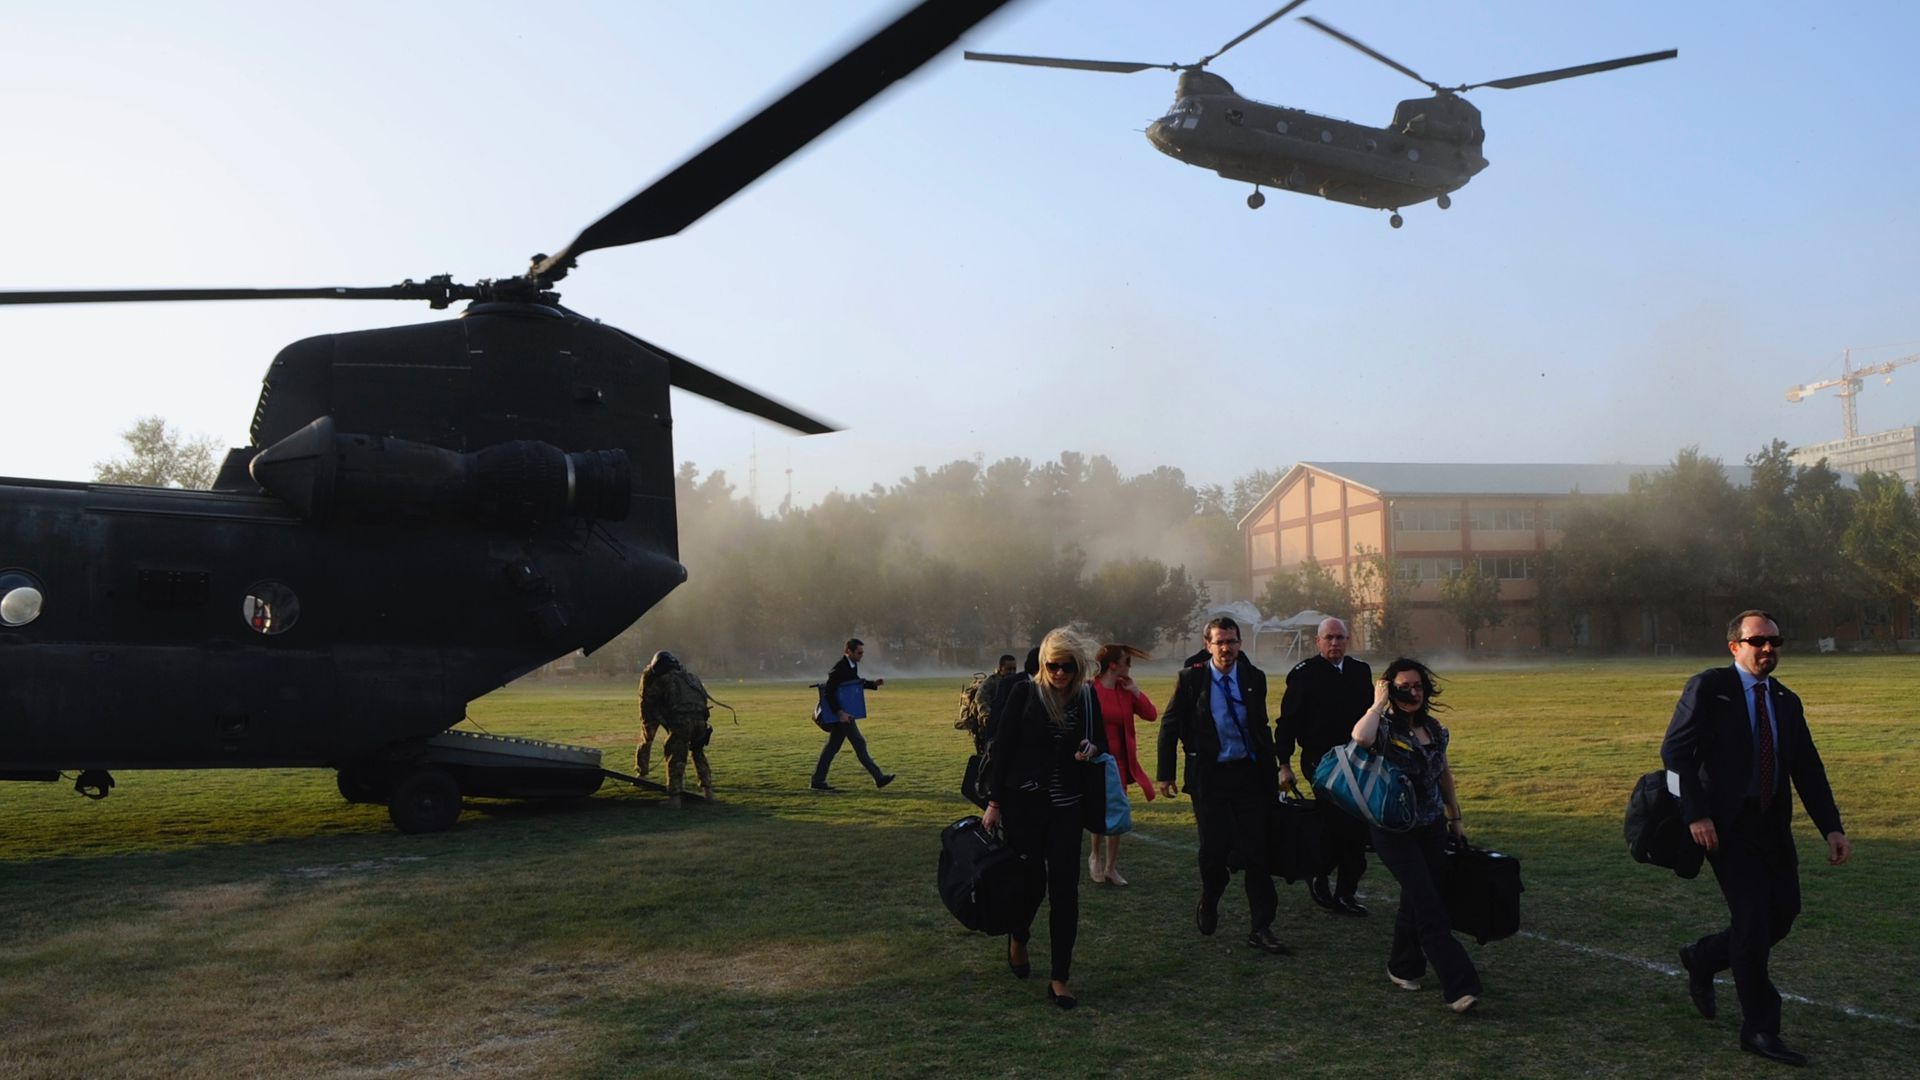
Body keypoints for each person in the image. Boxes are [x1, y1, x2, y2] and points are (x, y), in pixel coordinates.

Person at [1662, 610, 1850, 1067]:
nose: (1769, 649)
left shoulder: (1786, 700)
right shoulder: (1710, 688)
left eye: (1775, 641)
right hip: (1725, 828)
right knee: (1751, 922)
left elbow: (1807, 767)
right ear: (1735, 646)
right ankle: (1760, 1028)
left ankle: (1704, 957)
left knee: (1783, 914)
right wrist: (1697, 814)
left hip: (1771, 824)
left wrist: (1832, 826)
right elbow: (1675, 752)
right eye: (1758, 641)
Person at [981, 626, 1106, 1009]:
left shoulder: (1086, 698)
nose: (1061, 674)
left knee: (1065, 893)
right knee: (1031, 885)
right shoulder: (1024, 693)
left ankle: (1059, 978)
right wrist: (995, 802)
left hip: (1067, 808)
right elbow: (1002, 749)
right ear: (1042, 663)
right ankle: (1019, 936)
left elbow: (1099, 739)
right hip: (1026, 807)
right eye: (1054, 666)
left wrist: (1090, 746)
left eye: (1069, 666)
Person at [1351, 657, 1480, 1013]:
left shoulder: (1435, 729)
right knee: (1429, 907)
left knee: (1419, 895)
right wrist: (1377, 704)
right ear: (1390, 689)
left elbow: (1444, 774)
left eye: (1417, 685)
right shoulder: (1384, 729)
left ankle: (1402, 965)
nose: (1412, 692)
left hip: (1432, 827)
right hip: (1393, 830)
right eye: (1403, 687)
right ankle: (1460, 986)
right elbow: (1360, 737)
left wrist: (1456, 818)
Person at [1156, 616, 1289, 955]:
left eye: (1232, 641)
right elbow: (1169, 726)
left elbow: (1260, 727)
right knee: (1213, 852)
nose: (1227, 648)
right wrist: (1165, 773)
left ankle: (1261, 926)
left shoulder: (1253, 678)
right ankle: (1210, 899)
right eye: (1220, 642)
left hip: (1248, 776)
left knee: (1258, 853)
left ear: (1239, 644)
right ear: (1208, 645)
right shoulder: (1191, 679)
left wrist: (1274, 769)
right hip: (1210, 778)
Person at [1278, 617, 1374, 915]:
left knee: (1358, 825)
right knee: (1341, 821)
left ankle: (1345, 891)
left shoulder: (1360, 671)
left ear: (1348, 640)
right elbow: (1287, 724)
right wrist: (1284, 764)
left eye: (1340, 638)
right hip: (1322, 762)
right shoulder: (1303, 675)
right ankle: (1321, 876)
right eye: (1329, 638)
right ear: (1318, 641)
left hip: (1359, 761)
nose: (1335, 643)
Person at [1089, 643, 1158, 886]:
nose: (1130, 666)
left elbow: (1151, 714)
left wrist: (1136, 691)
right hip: (1097, 760)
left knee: (1117, 809)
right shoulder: (1092, 689)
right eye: (1127, 661)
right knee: (1099, 808)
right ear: (1113, 665)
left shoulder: (1125, 689)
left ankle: (1111, 867)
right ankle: (1095, 857)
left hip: (1121, 761)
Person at [810, 638, 896, 792]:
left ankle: (817, 780)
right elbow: (829, 692)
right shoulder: (838, 669)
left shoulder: (851, 665)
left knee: (832, 748)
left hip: (844, 714)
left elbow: (855, 682)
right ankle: (879, 778)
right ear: (848, 652)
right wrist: (839, 712)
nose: (861, 655)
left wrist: (873, 684)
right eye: (859, 653)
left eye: (862, 653)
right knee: (859, 743)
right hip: (843, 715)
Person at [638, 651, 714, 808]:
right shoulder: (691, 677)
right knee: (698, 753)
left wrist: (660, 719)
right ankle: (708, 792)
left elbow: (649, 700)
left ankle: (674, 798)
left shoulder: (664, 680)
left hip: (681, 722)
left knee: (676, 758)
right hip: (700, 720)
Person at [971, 653, 1020, 753]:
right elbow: (980, 698)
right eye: (1008, 669)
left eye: (1014, 669)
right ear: (1000, 668)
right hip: (992, 727)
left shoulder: (1016, 682)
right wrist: (990, 716)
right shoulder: (991, 682)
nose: (1012, 672)